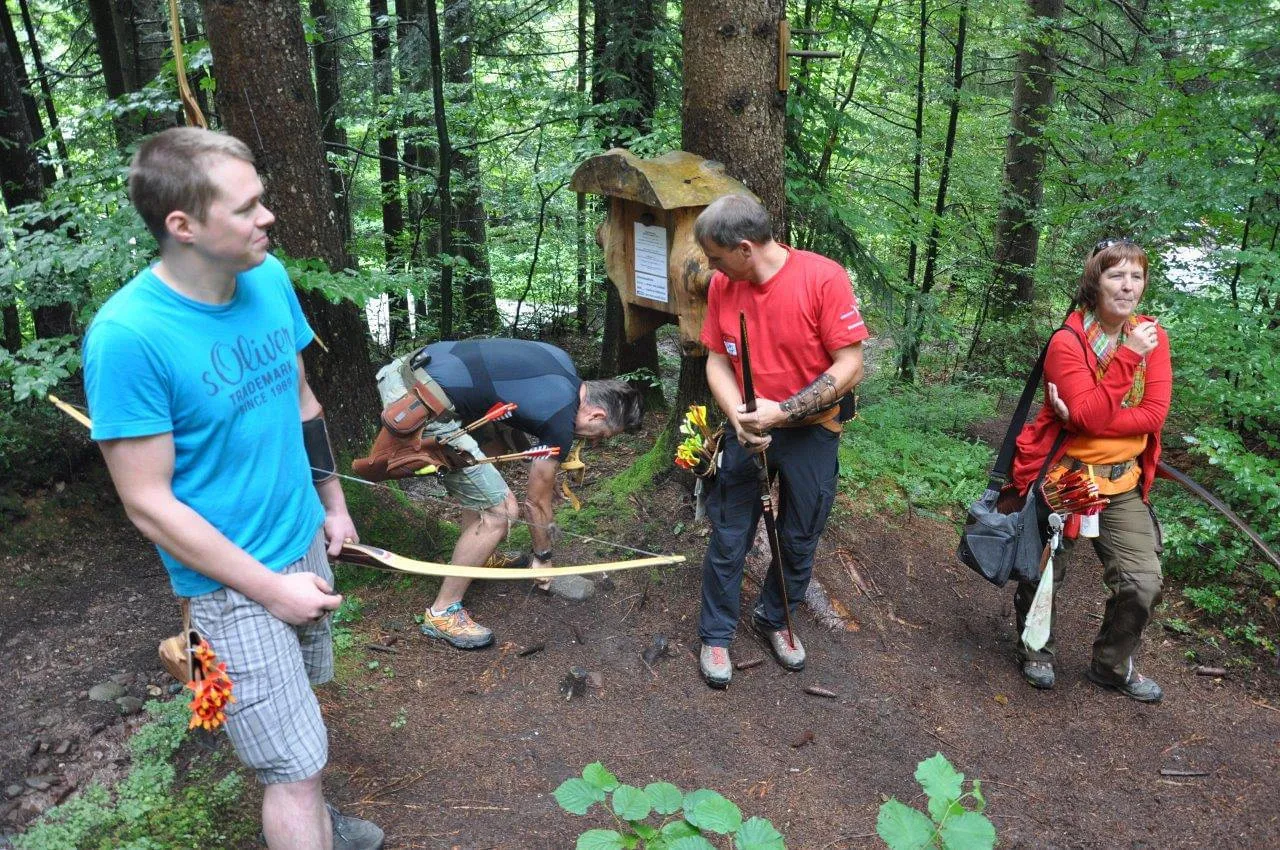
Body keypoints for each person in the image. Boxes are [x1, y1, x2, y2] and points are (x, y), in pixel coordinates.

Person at [83, 127, 383, 850]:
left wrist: (333, 506)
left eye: (262, 201)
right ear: (182, 226)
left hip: (302, 541)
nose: (267, 217)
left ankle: (319, 822)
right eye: (246, 208)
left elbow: (302, 402)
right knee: (292, 771)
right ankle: (308, 817)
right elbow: (147, 503)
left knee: (301, 725)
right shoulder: (128, 337)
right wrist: (271, 589)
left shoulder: (267, 278)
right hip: (229, 586)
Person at [694, 194, 868, 688]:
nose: (711, 267)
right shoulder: (723, 285)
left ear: (745, 248)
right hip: (748, 431)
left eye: (716, 256)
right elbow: (717, 361)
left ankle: (775, 618)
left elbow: (851, 365)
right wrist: (738, 415)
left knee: (799, 532)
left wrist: (784, 410)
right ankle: (716, 634)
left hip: (812, 431)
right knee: (730, 534)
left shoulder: (822, 278)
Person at [371, 339, 643, 650]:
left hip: (411, 370)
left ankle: (476, 557)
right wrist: (543, 558)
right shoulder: (561, 418)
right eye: (602, 436)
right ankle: (442, 613)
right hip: (416, 404)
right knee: (500, 512)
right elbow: (535, 503)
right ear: (596, 415)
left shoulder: (563, 366)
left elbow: (514, 411)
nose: (595, 443)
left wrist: (544, 470)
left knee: (485, 470)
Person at [1009, 238, 1171, 703]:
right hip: (1068, 474)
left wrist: (1090, 418)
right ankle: (1036, 648)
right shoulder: (1068, 342)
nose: (1127, 286)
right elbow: (1086, 417)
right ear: (1095, 283)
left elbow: (1153, 415)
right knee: (1046, 571)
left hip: (1122, 481)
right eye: (1116, 275)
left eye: (1136, 276)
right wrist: (1127, 359)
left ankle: (1111, 665)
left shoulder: (1153, 337)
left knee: (1142, 582)